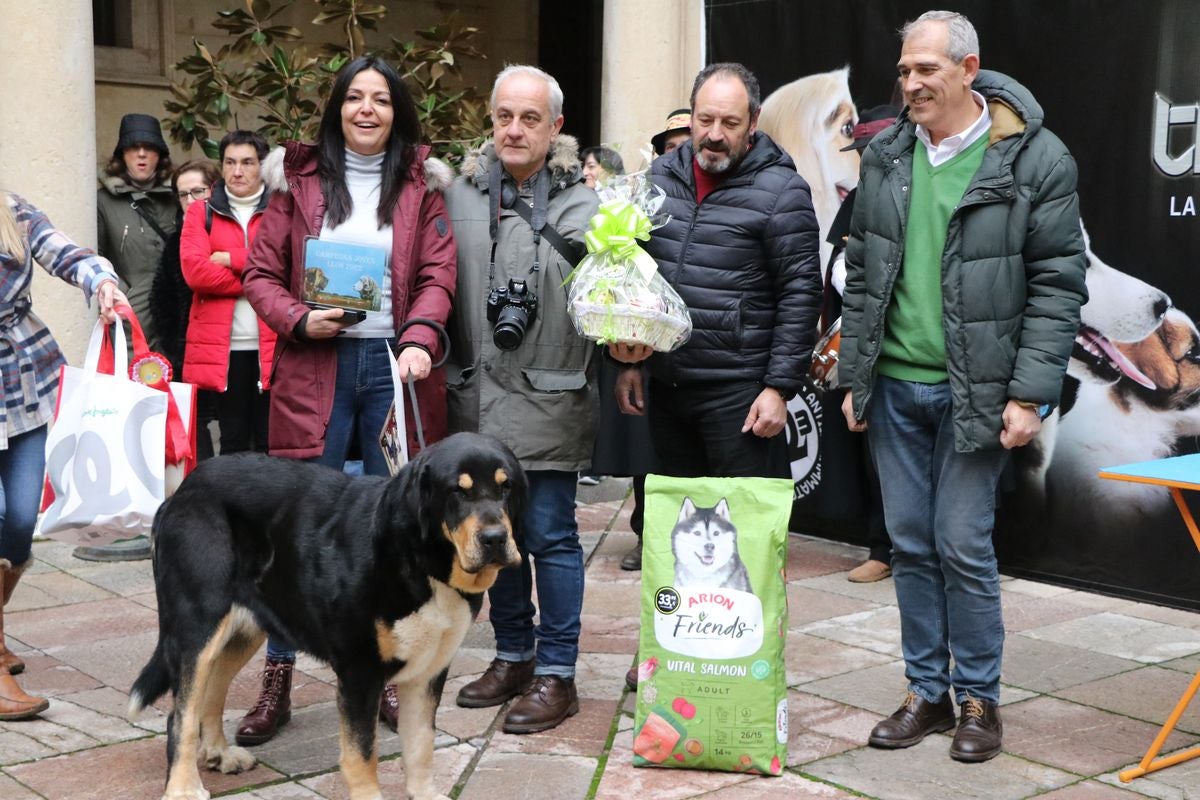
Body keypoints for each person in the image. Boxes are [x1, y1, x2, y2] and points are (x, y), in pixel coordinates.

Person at [839, 10, 1087, 762]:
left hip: (978, 390)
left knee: (961, 544)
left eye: (927, 70)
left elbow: (1056, 285)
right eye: (905, 70)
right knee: (911, 544)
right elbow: (863, 272)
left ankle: (979, 699)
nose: (910, 83)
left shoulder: (1036, 158)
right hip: (893, 387)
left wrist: (1029, 393)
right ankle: (927, 692)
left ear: (968, 69)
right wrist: (856, 374)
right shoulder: (885, 155)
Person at [242, 55, 457, 744]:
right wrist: (300, 320)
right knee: (291, 527)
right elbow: (259, 271)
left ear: (398, 112)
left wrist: (422, 335)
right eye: (355, 98)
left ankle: (385, 672)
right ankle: (276, 674)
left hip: (394, 370)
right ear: (336, 108)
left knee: (395, 526)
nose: (368, 109)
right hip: (315, 369)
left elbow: (436, 273)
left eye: (382, 100)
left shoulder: (422, 189)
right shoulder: (295, 185)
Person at [610, 62, 822, 687]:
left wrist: (780, 387)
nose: (715, 134)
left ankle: (741, 657)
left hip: (740, 394)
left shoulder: (782, 191)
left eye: (730, 122)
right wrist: (626, 359)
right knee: (666, 533)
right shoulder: (658, 179)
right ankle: (665, 646)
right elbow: (630, 277)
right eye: (705, 120)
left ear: (753, 124)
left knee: (744, 537)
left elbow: (801, 293)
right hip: (667, 387)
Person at [445, 65, 599, 734]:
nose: (514, 128)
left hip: (550, 397)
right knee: (493, 537)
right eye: (504, 115)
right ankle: (512, 655)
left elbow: (619, 302)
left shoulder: (590, 207)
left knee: (551, 537)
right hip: (474, 403)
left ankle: (558, 674)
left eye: (530, 118)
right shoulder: (456, 196)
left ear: (556, 126)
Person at [0, 190, 127, 718]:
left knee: (21, 522)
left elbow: (67, 253)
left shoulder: (12, 210)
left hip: (23, 383)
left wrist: (102, 282)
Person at [82, 112, 177, 562]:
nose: (142, 154)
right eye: (133, 148)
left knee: (174, 428)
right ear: (121, 155)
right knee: (125, 426)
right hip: (129, 331)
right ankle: (127, 521)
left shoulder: (176, 200)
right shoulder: (103, 202)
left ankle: (173, 517)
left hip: (174, 330)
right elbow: (95, 263)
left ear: (160, 155)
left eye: (150, 148)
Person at [822, 104, 899, 584]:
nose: (868, 160)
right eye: (864, 152)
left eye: (876, 151)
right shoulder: (856, 201)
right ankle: (883, 548)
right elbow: (836, 266)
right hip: (863, 349)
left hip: (911, 349)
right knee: (873, 456)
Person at [180, 130, 276, 455]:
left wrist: (232, 259)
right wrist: (263, 281)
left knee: (272, 443)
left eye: (248, 163)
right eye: (230, 162)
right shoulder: (201, 211)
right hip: (225, 349)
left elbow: (291, 266)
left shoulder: (282, 209)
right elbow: (196, 272)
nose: (238, 171)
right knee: (232, 443)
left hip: (275, 346)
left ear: (263, 166)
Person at [150, 159, 222, 460]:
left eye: (198, 191)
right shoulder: (175, 242)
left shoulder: (235, 233)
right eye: (183, 194)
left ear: (215, 190)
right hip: (190, 355)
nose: (191, 200)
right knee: (196, 428)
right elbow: (161, 300)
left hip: (233, 353)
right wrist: (176, 348)